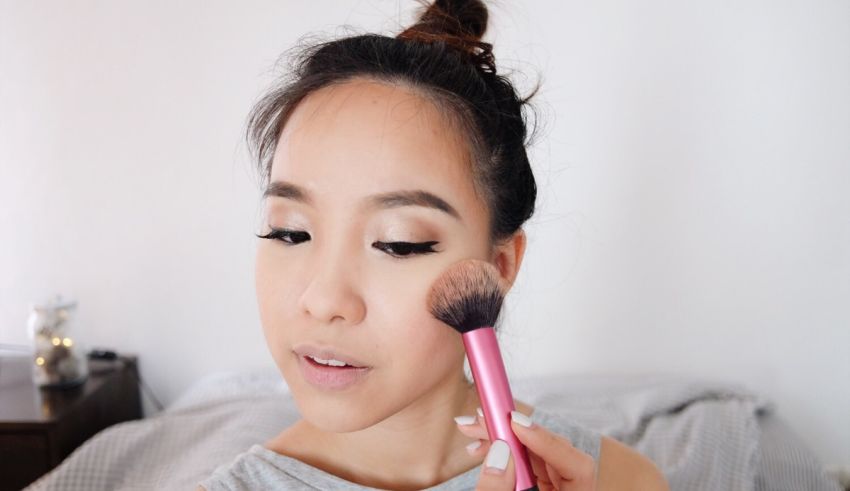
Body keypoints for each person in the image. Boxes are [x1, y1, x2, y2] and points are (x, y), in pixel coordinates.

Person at [199, 0, 668, 489]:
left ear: (500, 265)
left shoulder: (618, 480)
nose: (323, 300)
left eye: (398, 244)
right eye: (290, 232)